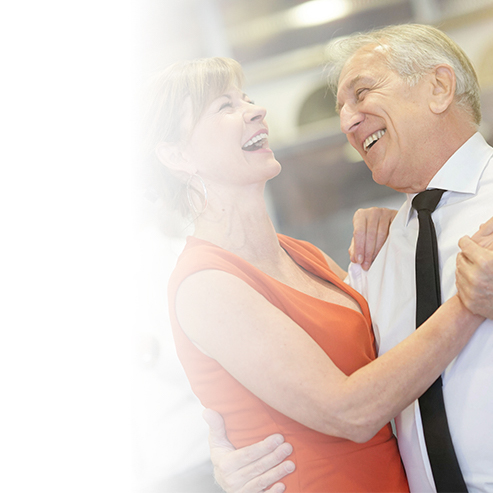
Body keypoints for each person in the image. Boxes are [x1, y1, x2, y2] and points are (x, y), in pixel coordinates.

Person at [143, 56, 490, 493]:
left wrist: (406, 227)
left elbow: (389, 357)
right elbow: (350, 411)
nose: (255, 109)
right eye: (224, 106)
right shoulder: (204, 284)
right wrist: (469, 301)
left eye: (247, 97)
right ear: (175, 154)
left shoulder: (305, 256)